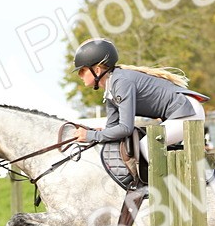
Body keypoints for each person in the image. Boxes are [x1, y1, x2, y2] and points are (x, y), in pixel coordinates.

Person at [71, 38, 206, 157]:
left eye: (82, 70)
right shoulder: (111, 87)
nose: (79, 75)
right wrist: (95, 132)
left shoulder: (121, 82)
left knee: (146, 146)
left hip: (187, 112)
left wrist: (90, 135)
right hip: (182, 112)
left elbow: (125, 128)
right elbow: (112, 127)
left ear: (97, 70)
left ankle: (166, 180)